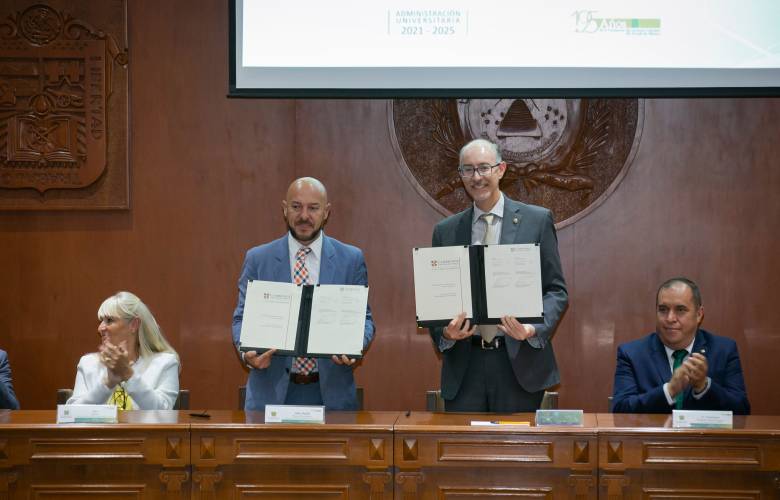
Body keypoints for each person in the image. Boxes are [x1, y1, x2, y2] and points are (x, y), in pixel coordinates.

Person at [429, 138, 568, 412]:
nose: (476, 177)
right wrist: (445, 332)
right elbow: (435, 299)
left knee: (518, 452)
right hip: (464, 367)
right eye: (467, 170)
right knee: (465, 453)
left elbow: (556, 291)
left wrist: (532, 329)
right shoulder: (445, 231)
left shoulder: (537, 221)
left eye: (484, 168)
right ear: (460, 176)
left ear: (501, 169)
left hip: (519, 365)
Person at [232, 177, 375, 411]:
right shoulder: (258, 259)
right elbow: (241, 319)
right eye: (296, 206)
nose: (304, 216)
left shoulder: (351, 259)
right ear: (285, 209)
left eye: (313, 208)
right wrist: (246, 352)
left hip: (332, 395)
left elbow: (365, 319)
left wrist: (354, 345)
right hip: (269, 395)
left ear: (326, 212)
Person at [611, 277, 750, 414]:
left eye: (680, 310)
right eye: (663, 309)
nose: (670, 318)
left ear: (699, 314)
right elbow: (620, 410)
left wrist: (704, 386)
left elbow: (742, 410)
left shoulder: (723, 350)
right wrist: (669, 390)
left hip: (705, 437)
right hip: (653, 437)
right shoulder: (632, 354)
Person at [68, 291, 180, 410]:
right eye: (101, 321)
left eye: (109, 320)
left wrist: (128, 374)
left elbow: (164, 413)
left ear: (134, 324)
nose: (100, 328)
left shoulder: (165, 363)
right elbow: (71, 412)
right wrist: (107, 384)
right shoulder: (88, 364)